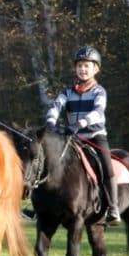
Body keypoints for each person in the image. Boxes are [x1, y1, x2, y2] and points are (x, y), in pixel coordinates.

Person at [46, 46, 120, 225]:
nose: (83, 69)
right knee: (48, 162)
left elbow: (98, 111)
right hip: (72, 138)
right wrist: (50, 122)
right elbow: (56, 106)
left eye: (87, 66)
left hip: (95, 136)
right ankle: (41, 206)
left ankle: (113, 207)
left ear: (96, 69)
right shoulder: (67, 91)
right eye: (80, 65)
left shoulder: (99, 91)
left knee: (106, 166)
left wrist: (80, 124)